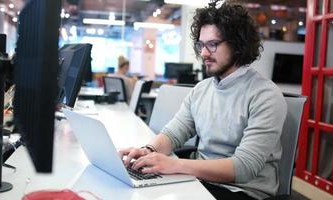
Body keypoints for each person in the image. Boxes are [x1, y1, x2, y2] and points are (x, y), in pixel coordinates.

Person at [119, 1, 287, 200]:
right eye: (201, 45)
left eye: (213, 44)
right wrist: (148, 151)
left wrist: (175, 165)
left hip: (242, 192)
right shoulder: (201, 90)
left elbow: (244, 167)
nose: (204, 53)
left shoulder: (265, 95)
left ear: (238, 44)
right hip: (200, 181)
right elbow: (174, 133)